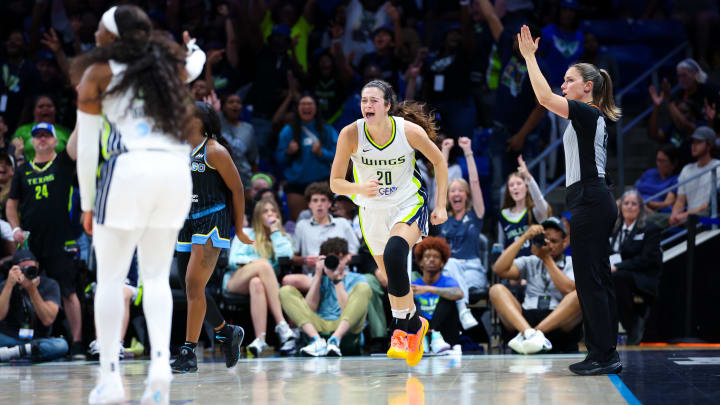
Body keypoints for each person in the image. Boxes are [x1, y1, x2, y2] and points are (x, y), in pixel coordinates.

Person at [74, 5, 206, 404]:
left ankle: (111, 378)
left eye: (100, 29)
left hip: (128, 169)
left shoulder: (98, 72)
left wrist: (86, 201)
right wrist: (193, 46)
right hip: (174, 172)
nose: (95, 35)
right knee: (155, 276)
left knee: (111, 279)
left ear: (112, 35)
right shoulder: (171, 68)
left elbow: (85, 148)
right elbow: (196, 61)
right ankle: (161, 368)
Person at [519, 25, 622, 374]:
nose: (562, 85)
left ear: (587, 87)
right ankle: (606, 352)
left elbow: (544, 99)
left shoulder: (587, 112)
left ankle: (603, 355)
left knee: (590, 281)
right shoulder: (590, 116)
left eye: (568, 80)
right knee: (597, 279)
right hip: (593, 198)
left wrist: (530, 58)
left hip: (591, 199)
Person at [329, 79, 449, 367]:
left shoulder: (408, 131)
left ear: (386, 106)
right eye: (363, 100)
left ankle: (399, 330)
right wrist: (358, 189)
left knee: (397, 253)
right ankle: (416, 324)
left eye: (373, 101)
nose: (366, 106)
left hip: (407, 202)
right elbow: (335, 183)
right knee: (392, 278)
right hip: (372, 211)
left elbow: (439, 163)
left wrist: (441, 204)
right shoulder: (350, 134)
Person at [171, 102, 253, 373]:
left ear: (200, 121)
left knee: (194, 285)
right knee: (192, 288)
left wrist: (239, 228)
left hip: (212, 220)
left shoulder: (215, 151)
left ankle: (188, 352)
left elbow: (238, 189)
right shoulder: (179, 150)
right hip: (186, 220)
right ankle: (226, 331)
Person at [6, 122, 84, 360]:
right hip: (32, 242)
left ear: (53, 140)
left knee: (69, 292)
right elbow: (11, 204)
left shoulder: (62, 162)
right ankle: (32, 337)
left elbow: (75, 145)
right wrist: (15, 228)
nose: (41, 139)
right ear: (32, 141)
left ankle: (79, 343)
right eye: (37, 136)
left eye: (46, 135)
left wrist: (81, 116)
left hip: (60, 238)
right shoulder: (22, 170)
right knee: (29, 285)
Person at [491, 218, 582, 354]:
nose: (548, 244)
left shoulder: (572, 262)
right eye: (545, 239)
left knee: (580, 294)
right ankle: (530, 334)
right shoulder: (530, 261)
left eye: (554, 241)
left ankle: (533, 334)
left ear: (565, 242)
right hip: (527, 318)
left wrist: (546, 258)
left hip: (558, 320)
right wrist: (524, 237)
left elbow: (568, 289)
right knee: (496, 290)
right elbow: (499, 269)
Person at [224, 198, 296, 357]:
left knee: (257, 282)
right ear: (258, 215)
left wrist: (275, 232)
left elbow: (287, 256)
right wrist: (254, 263)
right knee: (263, 264)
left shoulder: (281, 237)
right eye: (266, 211)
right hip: (236, 279)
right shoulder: (246, 233)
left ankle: (260, 339)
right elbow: (233, 259)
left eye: (273, 210)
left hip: (260, 283)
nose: (270, 214)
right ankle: (282, 324)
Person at [279, 237, 371, 357]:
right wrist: (318, 275)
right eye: (331, 259)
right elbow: (310, 308)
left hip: (347, 327)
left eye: (339, 258)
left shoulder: (358, 279)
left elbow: (347, 310)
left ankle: (335, 340)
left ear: (348, 257)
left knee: (364, 288)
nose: (336, 262)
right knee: (285, 291)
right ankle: (316, 341)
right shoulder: (320, 278)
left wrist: (336, 280)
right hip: (319, 325)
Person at [438, 136, 487, 330]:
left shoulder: (476, 214)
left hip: (473, 271)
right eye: (452, 191)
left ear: (466, 195)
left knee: (450, 273)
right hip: (450, 270)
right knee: (450, 265)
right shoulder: (442, 216)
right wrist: (444, 153)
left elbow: (474, 182)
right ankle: (463, 311)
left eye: (461, 191)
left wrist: (467, 151)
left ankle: (460, 312)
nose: (456, 194)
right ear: (448, 197)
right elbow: (438, 185)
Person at [609, 190, 662, 346]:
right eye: (626, 203)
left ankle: (632, 325)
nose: (630, 207)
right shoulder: (615, 229)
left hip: (643, 276)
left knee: (617, 278)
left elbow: (646, 260)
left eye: (634, 204)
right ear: (621, 206)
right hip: (620, 274)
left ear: (640, 208)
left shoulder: (650, 229)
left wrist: (618, 266)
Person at [284, 182, 359, 291]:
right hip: (313, 277)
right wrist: (305, 260)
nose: (319, 204)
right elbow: (293, 258)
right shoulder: (302, 225)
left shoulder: (342, 223)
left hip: (341, 274)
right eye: (315, 200)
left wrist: (342, 260)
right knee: (288, 280)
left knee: (364, 282)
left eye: (323, 200)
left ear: (329, 203)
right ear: (309, 204)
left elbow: (354, 253)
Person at [275, 95, 339, 221]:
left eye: (310, 104)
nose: (306, 107)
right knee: (299, 223)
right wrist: (288, 152)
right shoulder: (288, 131)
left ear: (316, 108)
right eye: (303, 104)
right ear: (297, 109)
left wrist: (322, 153)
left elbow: (338, 156)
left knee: (324, 221)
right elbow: (279, 159)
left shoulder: (326, 129)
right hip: (297, 185)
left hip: (322, 183)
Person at [0, 249, 68, 362]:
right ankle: (25, 353)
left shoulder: (50, 284)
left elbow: (48, 319)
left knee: (61, 345)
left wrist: (32, 290)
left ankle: (13, 353)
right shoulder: (6, 284)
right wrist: (9, 284)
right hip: (10, 337)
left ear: (37, 266)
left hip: (37, 340)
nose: (27, 272)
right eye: (23, 269)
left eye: (31, 268)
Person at [411, 237, 463, 356]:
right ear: (420, 262)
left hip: (443, 334)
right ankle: (422, 337)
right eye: (427, 257)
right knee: (408, 300)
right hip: (422, 328)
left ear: (442, 263)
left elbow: (459, 294)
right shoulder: (415, 285)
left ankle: (434, 335)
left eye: (436, 257)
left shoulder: (448, 281)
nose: (431, 260)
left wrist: (428, 289)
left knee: (448, 298)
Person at [667, 126, 720, 227]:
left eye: (698, 142)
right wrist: (674, 215)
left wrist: (685, 215)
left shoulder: (718, 168)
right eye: (693, 142)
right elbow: (680, 201)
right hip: (688, 218)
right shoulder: (686, 169)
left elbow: (710, 204)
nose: (694, 146)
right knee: (652, 221)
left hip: (707, 217)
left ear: (709, 145)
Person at [498, 156, 550, 257]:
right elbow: (500, 246)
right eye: (511, 185)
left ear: (526, 188)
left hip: (535, 265)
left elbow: (539, 200)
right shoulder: (503, 214)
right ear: (508, 191)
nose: (515, 187)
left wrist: (528, 177)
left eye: (519, 184)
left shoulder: (535, 211)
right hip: (512, 266)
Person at [11, 96, 71, 161]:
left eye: (49, 106)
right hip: (29, 169)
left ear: (55, 110)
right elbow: (13, 152)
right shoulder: (22, 131)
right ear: (33, 111)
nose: (45, 108)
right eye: (41, 106)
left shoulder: (65, 132)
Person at [635, 145, 679, 215]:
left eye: (662, 161)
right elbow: (635, 191)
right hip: (635, 205)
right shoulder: (649, 173)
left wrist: (645, 203)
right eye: (657, 160)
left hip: (655, 212)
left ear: (673, 163)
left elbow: (667, 203)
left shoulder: (676, 180)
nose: (658, 164)